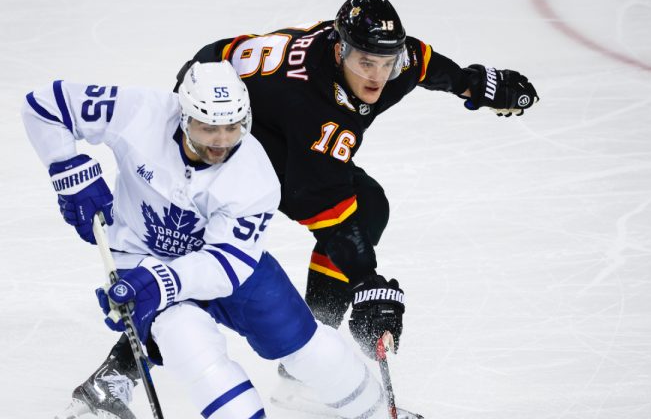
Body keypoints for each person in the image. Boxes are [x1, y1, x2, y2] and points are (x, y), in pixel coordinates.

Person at [22, 61, 399, 419]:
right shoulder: (140, 111)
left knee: (309, 347)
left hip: (224, 266)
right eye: (207, 128)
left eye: (232, 128)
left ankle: (375, 411)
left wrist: (164, 283)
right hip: (140, 256)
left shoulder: (254, 176)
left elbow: (226, 264)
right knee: (192, 347)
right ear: (183, 115)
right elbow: (46, 106)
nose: (221, 141)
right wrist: (68, 173)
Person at [176, 0, 540, 359]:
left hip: (260, 99)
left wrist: (473, 84)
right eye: (366, 62)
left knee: (367, 207)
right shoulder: (315, 108)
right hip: (223, 124)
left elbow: (423, 62)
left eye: (387, 63)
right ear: (339, 51)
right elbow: (321, 205)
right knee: (204, 245)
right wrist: (366, 280)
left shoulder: (393, 61)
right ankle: (125, 368)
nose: (377, 76)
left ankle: (317, 339)